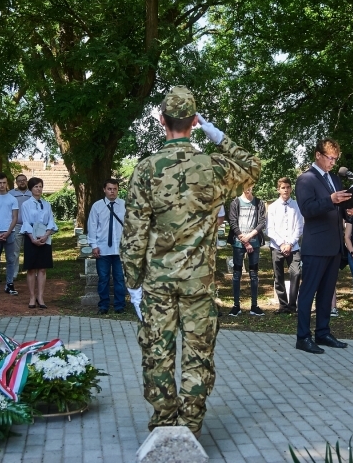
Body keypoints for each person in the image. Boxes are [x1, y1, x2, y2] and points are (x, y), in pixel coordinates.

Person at [121, 86, 260, 437]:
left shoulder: (146, 169)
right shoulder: (211, 166)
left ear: (162, 121)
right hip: (198, 282)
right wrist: (215, 133)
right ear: (193, 121)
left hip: (158, 282)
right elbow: (252, 165)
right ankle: (191, 427)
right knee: (197, 355)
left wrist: (132, 284)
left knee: (158, 353)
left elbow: (134, 235)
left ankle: (164, 425)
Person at [294, 138, 351, 354]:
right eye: (330, 158)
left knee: (327, 293)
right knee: (308, 292)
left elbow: (338, 207)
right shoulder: (305, 180)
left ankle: (323, 332)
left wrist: (348, 211)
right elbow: (307, 209)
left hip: (334, 245)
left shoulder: (335, 179)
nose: (333, 163)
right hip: (316, 245)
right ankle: (303, 337)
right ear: (318, 155)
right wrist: (332, 200)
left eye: (335, 159)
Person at [87, 178, 127, 314]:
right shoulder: (97, 206)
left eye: (115, 189)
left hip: (120, 249)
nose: (112, 192)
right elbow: (92, 226)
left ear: (118, 190)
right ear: (104, 190)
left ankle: (119, 305)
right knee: (103, 279)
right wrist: (94, 245)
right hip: (103, 249)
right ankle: (103, 306)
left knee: (119, 279)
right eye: (109, 189)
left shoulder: (124, 205)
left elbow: (129, 227)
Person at [226, 185, 267, 316]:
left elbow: (262, 222)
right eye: (245, 185)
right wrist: (243, 239)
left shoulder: (259, 203)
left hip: (254, 244)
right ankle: (236, 306)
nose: (248, 188)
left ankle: (254, 306)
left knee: (254, 275)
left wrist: (249, 237)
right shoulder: (235, 202)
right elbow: (232, 221)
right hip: (238, 244)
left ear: (253, 185)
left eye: (250, 185)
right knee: (236, 275)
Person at [266, 177, 303, 314]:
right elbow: (270, 228)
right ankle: (283, 305)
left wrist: (290, 243)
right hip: (277, 246)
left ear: (291, 189)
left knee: (296, 273)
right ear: (278, 190)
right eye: (283, 187)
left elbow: (300, 227)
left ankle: (293, 305)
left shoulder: (297, 206)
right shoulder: (273, 207)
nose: (286, 190)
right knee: (278, 276)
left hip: (293, 247)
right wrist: (282, 243)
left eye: (288, 187)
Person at [19, 177, 57, 309]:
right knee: (31, 268)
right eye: (36, 186)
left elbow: (51, 221)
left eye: (40, 186)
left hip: (45, 238)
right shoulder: (26, 205)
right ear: (31, 189)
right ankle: (31, 296)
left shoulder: (47, 204)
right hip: (31, 239)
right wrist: (32, 238)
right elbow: (25, 222)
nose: (39, 189)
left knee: (42, 268)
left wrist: (46, 235)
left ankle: (40, 296)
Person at [9, 174, 32, 281]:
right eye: (19, 181)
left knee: (30, 250)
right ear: (16, 182)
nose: (22, 182)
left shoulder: (32, 193)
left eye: (24, 180)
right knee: (15, 251)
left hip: (30, 226)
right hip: (17, 226)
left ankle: (31, 271)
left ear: (27, 181)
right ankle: (14, 273)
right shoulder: (11, 194)